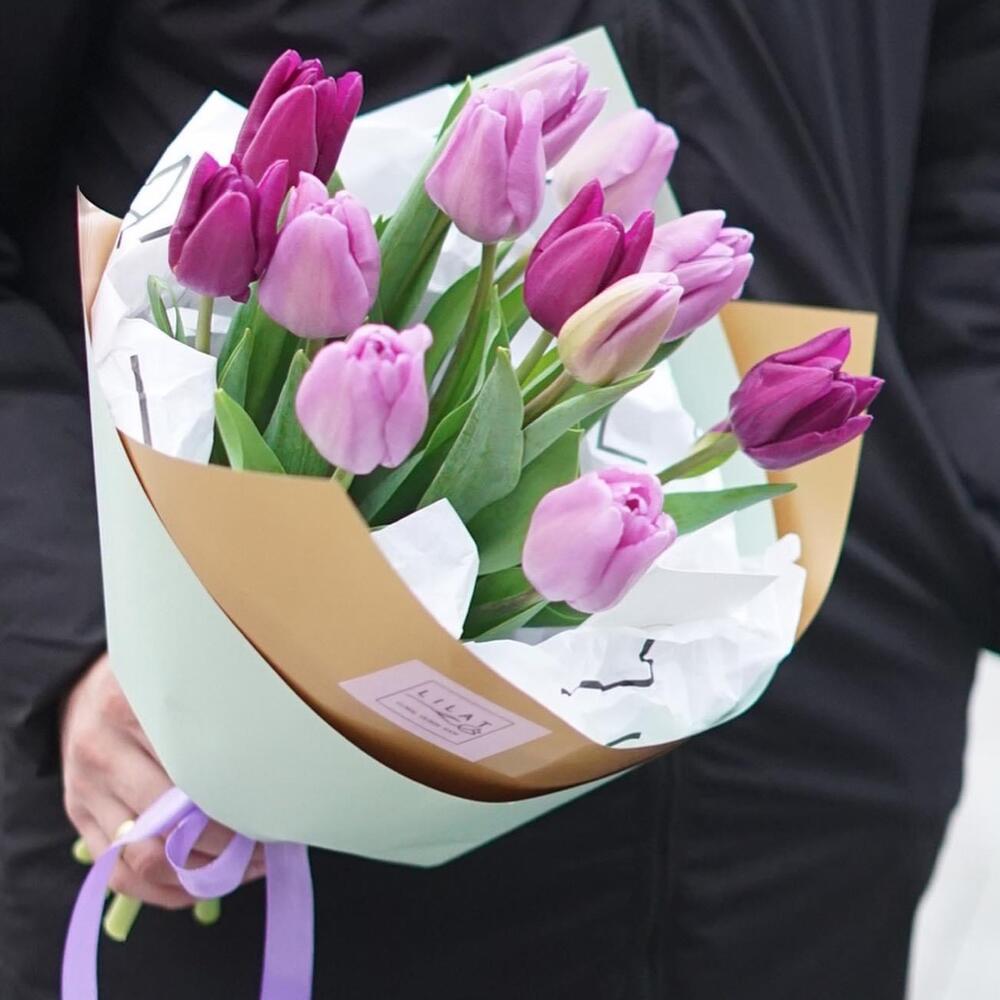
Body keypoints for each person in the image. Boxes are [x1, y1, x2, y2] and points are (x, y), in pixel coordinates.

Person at [0, 1, 996, 998]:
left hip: (805, 792)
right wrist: (78, 631)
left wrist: (937, 544)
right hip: (251, 800)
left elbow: (976, 165)